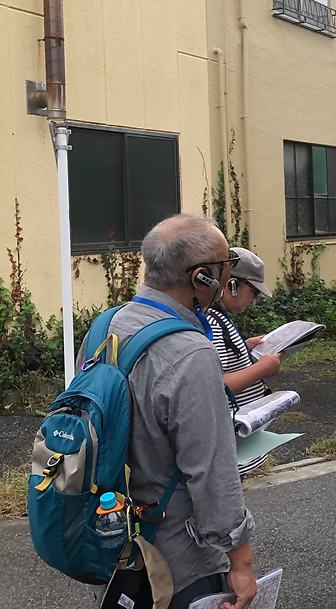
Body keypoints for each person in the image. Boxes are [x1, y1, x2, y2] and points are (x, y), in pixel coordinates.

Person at [76, 215, 257, 609]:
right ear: (202, 278)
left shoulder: (105, 326)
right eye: (226, 267)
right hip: (174, 558)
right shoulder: (190, 353)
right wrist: (240, 561)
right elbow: (211, 471)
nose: (229, 278)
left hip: (111, 537)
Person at [205, 247, 282, 478]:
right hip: (228, 444)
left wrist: (245, 346)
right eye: (253, 292)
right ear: (232, 284)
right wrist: (260, 370)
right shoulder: (212, 321)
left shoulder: (216, 316)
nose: (254, 300)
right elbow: (215, 384)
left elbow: (220, 360)